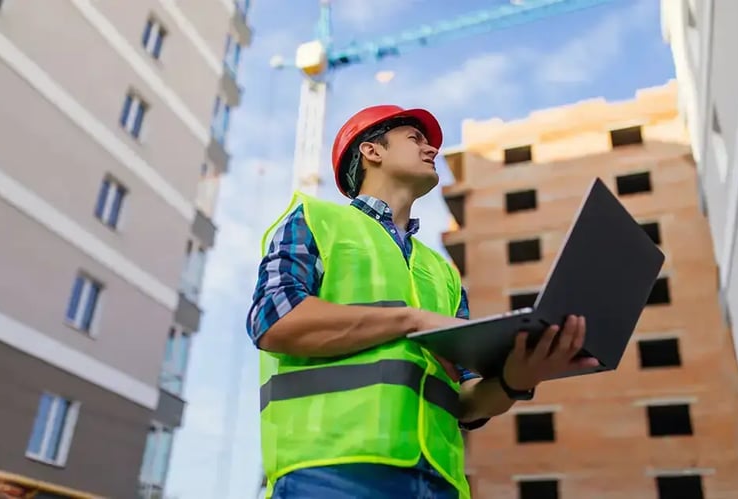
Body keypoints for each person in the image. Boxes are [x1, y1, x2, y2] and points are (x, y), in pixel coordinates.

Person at [246, 105, 598, 499]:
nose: (432, 150)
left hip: (438, 482)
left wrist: (517, 380)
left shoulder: (442, 272)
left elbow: (467, 400)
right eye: (415, 139)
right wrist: (411, 321)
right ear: (371, 151)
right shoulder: (315, 220)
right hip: (331, 472)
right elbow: (274, 319)